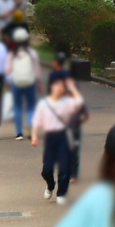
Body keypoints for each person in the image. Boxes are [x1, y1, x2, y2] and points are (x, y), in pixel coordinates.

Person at [31, 70, 83, 204]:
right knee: (46, 170)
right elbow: (37, 120)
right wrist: (34, 135)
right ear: (52, 87)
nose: (60, 88)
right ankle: (50, 185)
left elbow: (79, 102)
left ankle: (61, 193)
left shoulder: (67, 102)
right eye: (57, 85)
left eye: (62, 86)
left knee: (64, 167)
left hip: (63, 137)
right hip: (50, 138)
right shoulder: (44, 103)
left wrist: (72, 88)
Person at [6, 27, 42, 139]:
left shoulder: (12, 54)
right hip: (30, 82)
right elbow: (37, 69)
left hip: (16, 82)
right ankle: (30, 126)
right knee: (30, 106)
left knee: (17, 107)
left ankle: (19, 132)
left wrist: (8, 82)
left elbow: (8, 70)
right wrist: (39, 82)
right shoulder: (32, 53)